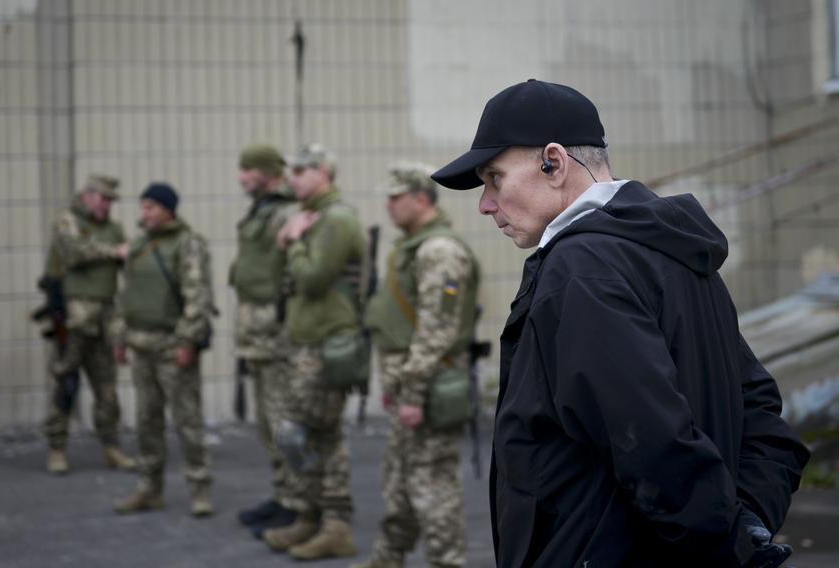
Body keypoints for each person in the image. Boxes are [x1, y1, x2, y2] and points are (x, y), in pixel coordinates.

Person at [431, 79, 810, 567]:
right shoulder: (669, 251)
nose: (485, 203)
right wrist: (746, 525)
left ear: (554, 162)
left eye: (494, 178)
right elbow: (762, 417)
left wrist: (723, 539)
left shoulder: (581, 269)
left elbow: (651, 440)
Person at [354, 163, 480, 568]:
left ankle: (448, 562)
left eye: (395, 197)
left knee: (433, 487)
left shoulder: (438, 251)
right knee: (400, 482)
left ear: (420, 199)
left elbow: (435, 330)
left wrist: (412, 392)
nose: (388, 206)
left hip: (428, 388)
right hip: (412, 384)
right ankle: (386, 559)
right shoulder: (413, 245)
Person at [261, 143, 365, 560]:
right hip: (304, 341)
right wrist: (290, 239)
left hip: (327, 344)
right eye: (292, 172)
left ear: (324, 172)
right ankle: (310, 515)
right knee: (298, 433)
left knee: (321, 434)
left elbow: (312, 280)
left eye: (302, 171)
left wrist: (295, 241)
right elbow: (282, 281)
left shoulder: (335, 219)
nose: (293, 179)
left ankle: (335, 523)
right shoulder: (315, 217)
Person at [111, 182, 216, 518]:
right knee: (146, 421)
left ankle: (199, 490)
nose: (145, 213)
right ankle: (149, 488)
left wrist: (186, 340)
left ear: (168, 209)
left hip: (172, 347)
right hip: (141, 345)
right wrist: (119, 337)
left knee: (187, 421)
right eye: (143, 207)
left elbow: (197, 297)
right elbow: (123, 296)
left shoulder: (187, 244)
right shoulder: (138, 245)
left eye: (152, 207)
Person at [42, 174, 136, 475]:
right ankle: (57, 448)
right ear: (88, 195)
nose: (107, 206)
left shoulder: (114, 228)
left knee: (107, 389)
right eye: (103, 199)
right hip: (72, 318)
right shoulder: (66, 221)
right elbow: (73, 252)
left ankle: (111, 447)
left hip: (105, 318)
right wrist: (114, 252)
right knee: (66, 384)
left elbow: (127, 266)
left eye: (110, 201)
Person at [228, 144, 300, 534]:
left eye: (248, 169)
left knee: (283, 422)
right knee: (267, 423)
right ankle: (283, 495)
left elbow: (293, 274)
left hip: (277, 338)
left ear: (268, 172)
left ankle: (298, 504)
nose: (241, 176)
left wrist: (279, 318)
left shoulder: (285, 213)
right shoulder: (262, 210)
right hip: (256, 336)